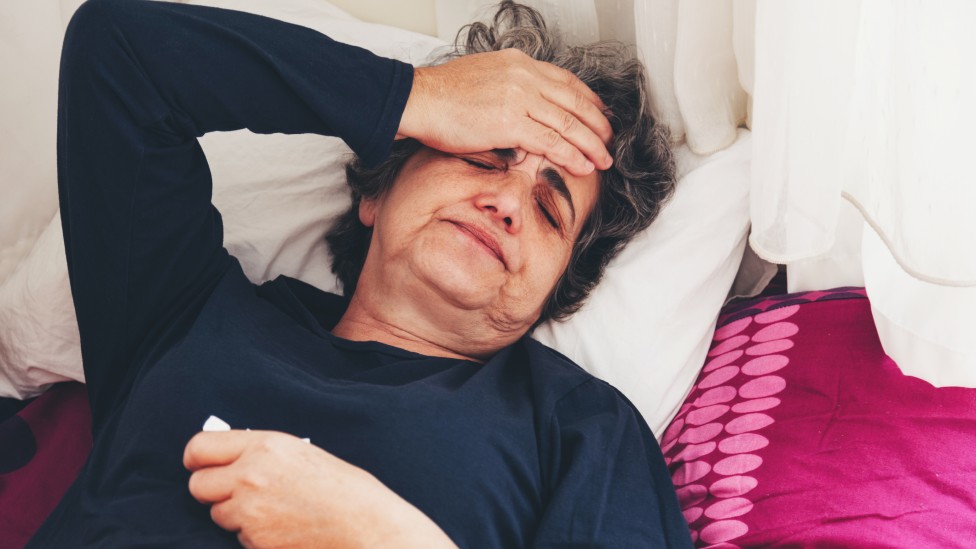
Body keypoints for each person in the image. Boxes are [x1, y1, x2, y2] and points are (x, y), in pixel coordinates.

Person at [32, 0, 692, 547]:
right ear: (374, 194)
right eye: (484, 157)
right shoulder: (184, 311)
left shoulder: (579, 426)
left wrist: (382, 536)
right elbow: (117, 52)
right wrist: (410, 95)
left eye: (551, 210)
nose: (509, 201)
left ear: (555, 290)